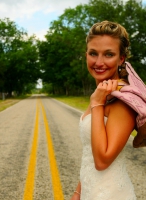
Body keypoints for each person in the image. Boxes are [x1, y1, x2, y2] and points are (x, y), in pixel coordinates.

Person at [71, 21, 137, 200]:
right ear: (86, 55)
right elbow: (90, 156)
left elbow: (102, 161)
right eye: (93, 53)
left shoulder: (122, 101)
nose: (99, 62)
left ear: (121, 58)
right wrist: (78, 192)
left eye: (108, 54)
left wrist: (97, 104)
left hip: (111, 194)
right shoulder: (100, 95)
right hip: (90, 192)